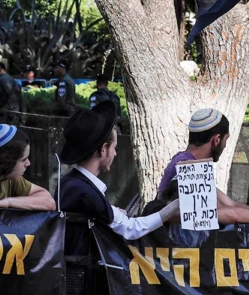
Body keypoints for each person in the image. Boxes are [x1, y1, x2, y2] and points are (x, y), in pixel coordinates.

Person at [58, 102, 180, 252]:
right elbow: (131, 229)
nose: (115, 153)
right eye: (114, 147)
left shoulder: (71, 185)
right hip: (82, 273)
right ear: (103, 149)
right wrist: (175, 206)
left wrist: (111, 210)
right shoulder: (84, 192)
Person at [154, 109, 249, 228]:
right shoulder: (190, 167)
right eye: (226, 139)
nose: (225, 145)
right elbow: (226, 213)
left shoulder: (184, 162)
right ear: (216, 140)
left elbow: (231, 204)